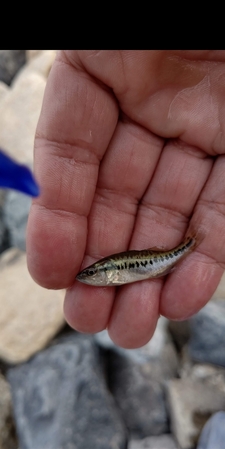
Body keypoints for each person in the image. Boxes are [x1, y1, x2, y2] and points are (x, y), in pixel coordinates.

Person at [26, 50, 225, 349]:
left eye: (93, 273)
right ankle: (188, 245)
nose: (89, 276)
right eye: (92, 272)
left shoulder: (115, 272)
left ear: (108, 273)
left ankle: (189, 244)